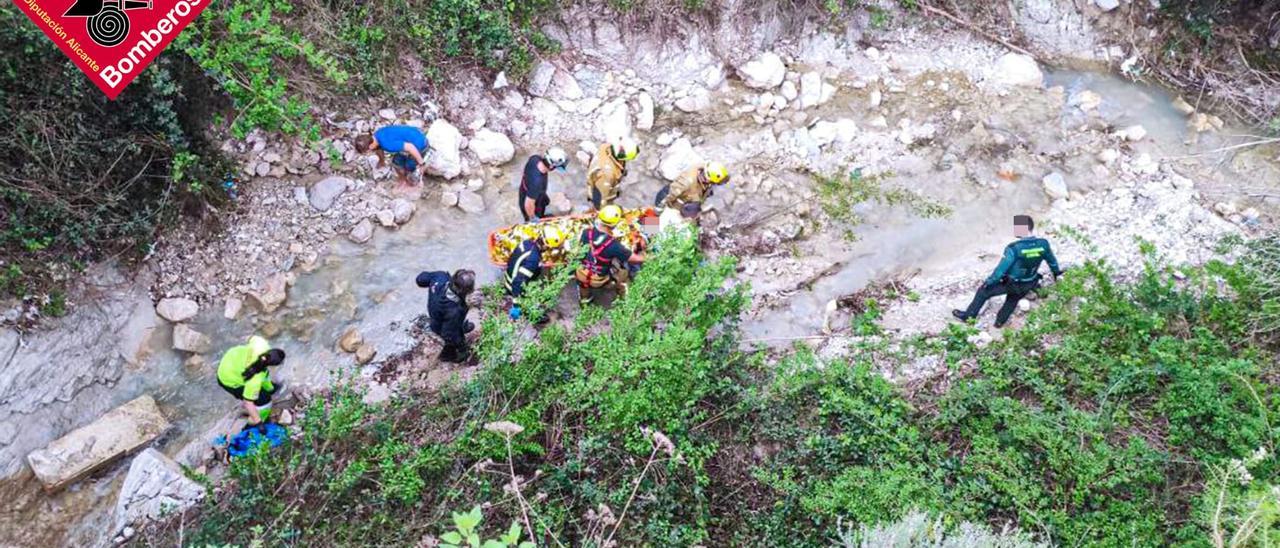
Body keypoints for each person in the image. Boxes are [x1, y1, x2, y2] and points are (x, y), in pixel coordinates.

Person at [952, 215, 1064, 327]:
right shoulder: (1043, 244)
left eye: (1017, 227)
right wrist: (1056, 273)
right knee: (1012, 300)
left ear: (1023, 228)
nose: (1015, 230)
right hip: (1030, 282)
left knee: (983, 292)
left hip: (1012, 283)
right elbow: (1052, 261)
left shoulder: (1014, 248)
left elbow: (1000, 270)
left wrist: (988, 282)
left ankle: (969, 316)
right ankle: (999, 322)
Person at [576, 205, 646, 305]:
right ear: (614, 224)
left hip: (582, 272)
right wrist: (646, 257)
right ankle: (625, 301)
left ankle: (584, 300)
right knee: (623, 275)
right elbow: (634, 259)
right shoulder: (614, 245)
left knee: (583, 284)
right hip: (599, 278)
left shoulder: (587, 232)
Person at [217, 335, 287, 425]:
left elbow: (250, 337)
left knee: (265, 387)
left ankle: (270, 389)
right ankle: (251, 421)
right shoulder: (255, 380)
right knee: (264, 400)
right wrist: (259, 423)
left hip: (230, 360)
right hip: (229, 380)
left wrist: (270, 388)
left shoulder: (261, 345)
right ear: (271, 365)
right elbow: (248, 402)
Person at [416, 268, 476, 363]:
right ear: (464, 291)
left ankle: (461, 327)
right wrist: (461, 344)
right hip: (439, 326)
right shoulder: (455, 310)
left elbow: (420, 279)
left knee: (454, 322)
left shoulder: (441, 277)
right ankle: (448, 355)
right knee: (455, 337)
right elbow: (448, 334)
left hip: (435, 313)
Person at [506, 226, 567, 320]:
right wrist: (516, 304)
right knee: (526, 300)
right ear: (546, 245)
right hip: (513, 285)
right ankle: (531, 314)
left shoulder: (528, 242)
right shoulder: (533, 260)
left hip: (510, 274)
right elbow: (518, 282)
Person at [354, 125, 429, 188]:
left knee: (408, 166)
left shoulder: (388, 144)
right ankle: (402, 180)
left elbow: (410, 147)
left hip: (419, 144)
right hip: (411, 138)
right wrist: (381, 161)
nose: (368, 153)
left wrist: (421, 164)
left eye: (367, 152)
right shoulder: (375, 137)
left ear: (370, 146)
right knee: (396, 163)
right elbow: (378, 148)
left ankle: (413, 183)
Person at [586, 136, 640, 210]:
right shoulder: (607, 175)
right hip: (602, 190)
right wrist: (602, 210)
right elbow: (600, 197)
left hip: (600, 180)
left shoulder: (607, 147)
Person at [518, 148, 569, 222]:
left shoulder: (535, 158)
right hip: (530, 201)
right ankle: (538, 219)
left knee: (544, 202)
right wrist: (533, 218)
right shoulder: (537, 183)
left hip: (528, 190)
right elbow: (528, 204)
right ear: (551, 166)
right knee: (535, 218)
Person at [655, 162, 729, 210]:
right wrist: (660, 208)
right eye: (713, 183)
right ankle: (649, 231)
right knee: (653, 216)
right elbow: (669, 196)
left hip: (685, 200)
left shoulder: (705, 171)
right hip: (668, 197)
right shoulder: (686, 182)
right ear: (708, 179)